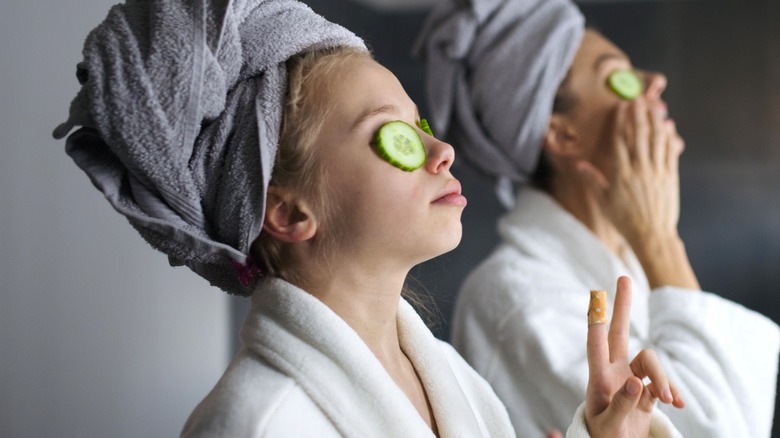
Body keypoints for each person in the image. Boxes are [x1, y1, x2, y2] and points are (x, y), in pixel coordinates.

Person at [54, 0, 685, 436]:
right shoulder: (252, 424)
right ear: (287, 210)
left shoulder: (454, 382)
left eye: (422, 127)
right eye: (392, 138)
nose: (441, 153)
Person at [416, 0, 780, 436]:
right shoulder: (513, 301)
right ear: (561, 134)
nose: (654, 82)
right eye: (618, 78)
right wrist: (659, 240)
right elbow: (714, 429)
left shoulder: (624, 258)